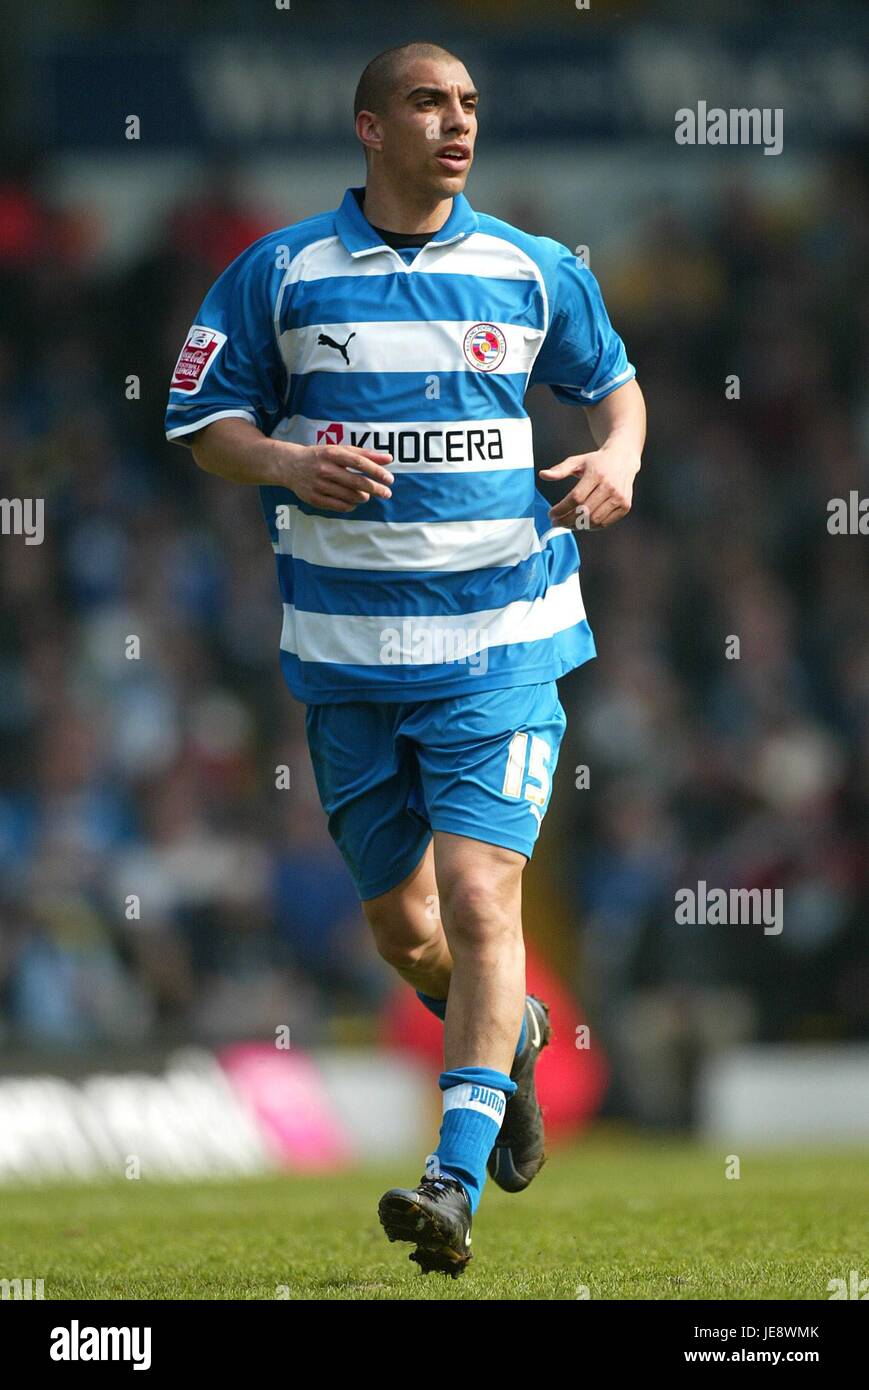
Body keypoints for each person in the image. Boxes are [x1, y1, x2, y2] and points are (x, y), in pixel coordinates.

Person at [165, 40, 645, 1277]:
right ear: (370, 127)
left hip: (500, 643)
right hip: (346, 658)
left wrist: (616, 462)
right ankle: (518, 1037)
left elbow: (617, 392)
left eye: (471, 104)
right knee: (404, 934)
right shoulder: (280, 274)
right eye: (429, 103)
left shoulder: (533, 269)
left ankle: (450, 1176)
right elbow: (202, 424)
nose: (457, 123)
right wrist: (284, 461)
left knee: (487, 903)